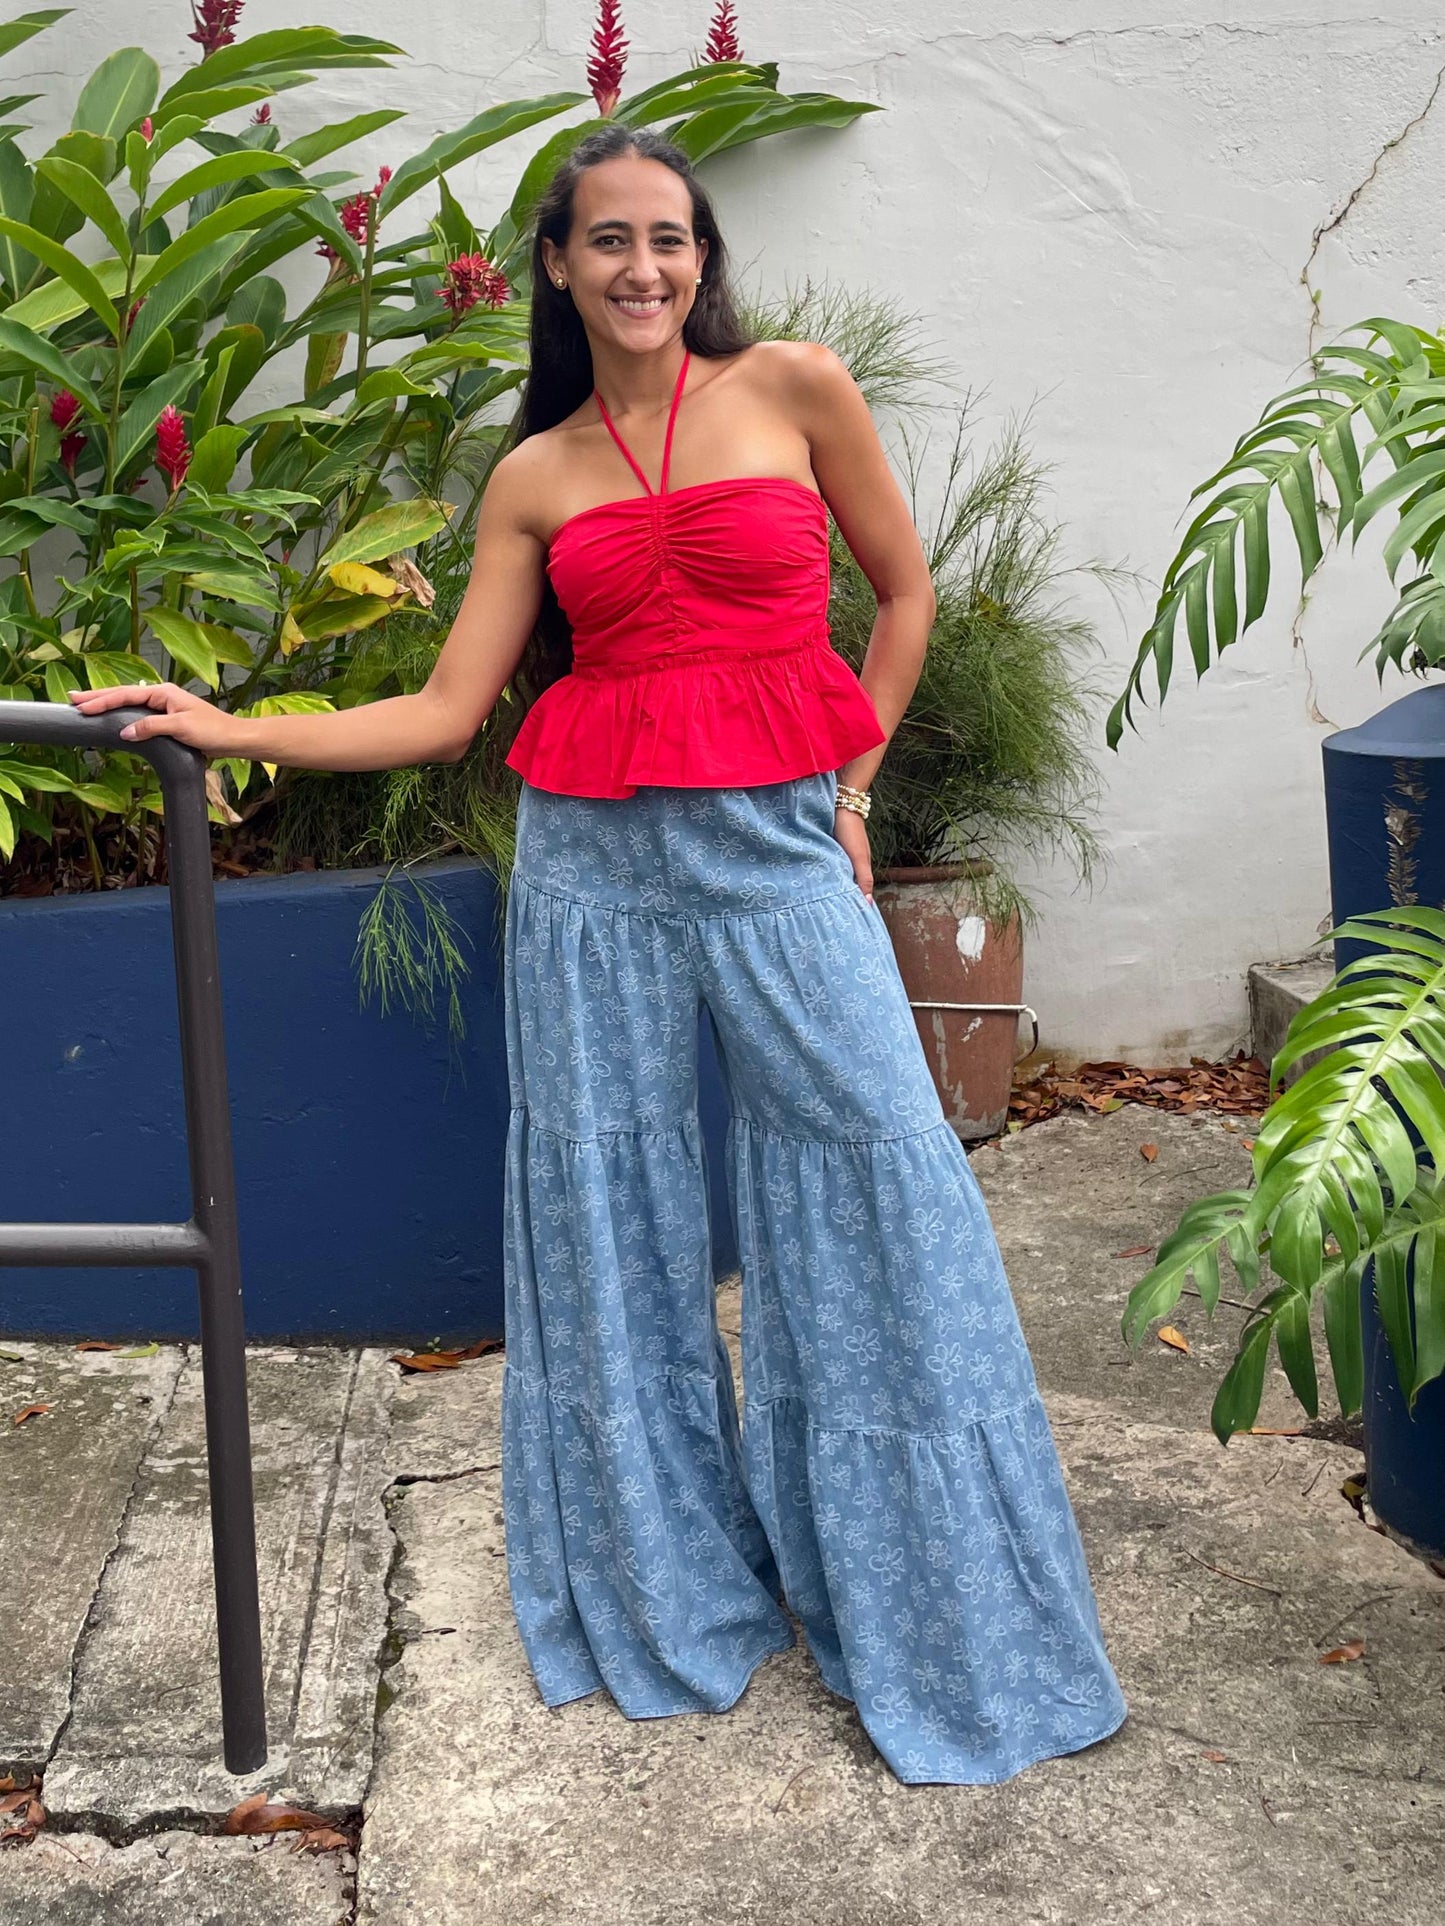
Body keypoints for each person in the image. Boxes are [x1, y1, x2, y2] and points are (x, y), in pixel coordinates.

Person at [68, 124, 1127, 1786]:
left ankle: (933, 1601)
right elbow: (440, 711)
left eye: (672, 239)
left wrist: (850, 788)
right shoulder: (535, 474)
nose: (646, 268)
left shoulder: (793, 388)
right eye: (609, 242)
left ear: (702, 258)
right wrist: (225, 722)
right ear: (556, 267)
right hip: (594, 867)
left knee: (878, 1174)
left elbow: (902, 596)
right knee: (609, 1208)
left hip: (774, 849)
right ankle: (669, 1587)